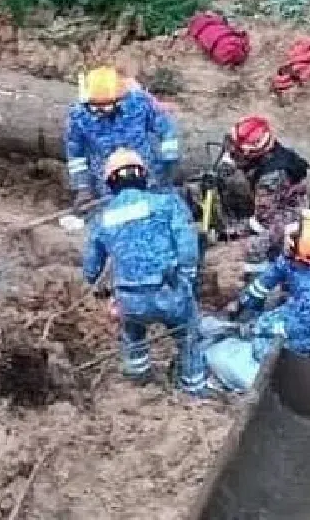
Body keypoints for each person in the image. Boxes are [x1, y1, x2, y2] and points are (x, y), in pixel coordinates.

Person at [82, 148, 210, 395]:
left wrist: (100, 285)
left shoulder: (103, 217)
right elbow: (187, 245)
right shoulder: (167, 203)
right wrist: (188, 277)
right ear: (143, 176)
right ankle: (194, 387)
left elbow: (91, 267)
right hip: (169, 291)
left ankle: (139, 381)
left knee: (132, 334)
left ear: (110, 182)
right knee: (189, 335)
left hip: (129, 298)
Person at [231, 210, 310, 361]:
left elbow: (297, 325)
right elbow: (267, 280)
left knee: (261, 351)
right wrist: (244, 302)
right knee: (261, 324)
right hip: (297, 308)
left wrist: (261, 328)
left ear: (296, 249)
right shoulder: (292, 259)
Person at [64, 66, 180, 205]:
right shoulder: (79, 116)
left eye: (106, 106)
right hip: (108, 186)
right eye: (94, 107)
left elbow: (166, 129)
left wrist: (170, 160)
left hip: (148, 177)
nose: (99, 112)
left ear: (119, 100)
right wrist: (83, 187)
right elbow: (76, 156)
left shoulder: (138, 104)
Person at [221, 115, 310, 277]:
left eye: (238, 153)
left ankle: (259, 282)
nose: (234, 153)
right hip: (275, 203)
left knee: (255, 247)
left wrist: (233, 231)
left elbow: (262, 219)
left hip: (290, 216)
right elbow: (232, 145)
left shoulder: (270, 179)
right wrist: (228, 161)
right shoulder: (266, 151)